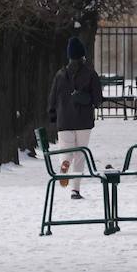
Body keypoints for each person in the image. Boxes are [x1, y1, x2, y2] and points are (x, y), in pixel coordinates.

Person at [47, 36, 104, 199]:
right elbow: (98, 100)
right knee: (80, 154)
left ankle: (65, 162)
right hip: (84, 121)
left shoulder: (60, 74)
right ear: (82, 55)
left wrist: (53, 115)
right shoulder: (90, 74)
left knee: (66, 150)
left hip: (64, 120)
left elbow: (52, 98)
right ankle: (75, 190)